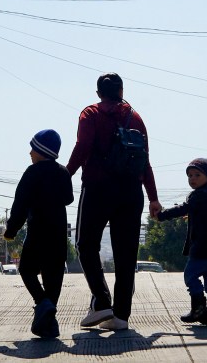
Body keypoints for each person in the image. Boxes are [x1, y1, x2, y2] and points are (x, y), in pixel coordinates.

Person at [66, 73, 161, 331]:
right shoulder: (136, 118)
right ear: (121, 90)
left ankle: (101, 300)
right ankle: (120, 316)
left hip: (97, 188)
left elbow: (83, 146)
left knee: (85, 244)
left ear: (98, 93)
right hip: (131, 192)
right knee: (126, 253)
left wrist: (67, 174)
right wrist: (153, 198)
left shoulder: (90, 114)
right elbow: (145, 161)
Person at [3, 129, 73, 338]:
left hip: (38, 233)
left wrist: (11, 230)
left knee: (26, 270)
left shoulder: (31, 173)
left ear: (41, 151)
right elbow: (69, 198)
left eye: (33, 148)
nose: (30, 153)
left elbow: (20, 205)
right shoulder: (63, 173)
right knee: (54, 278)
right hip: (59, 235)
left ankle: (42, 303)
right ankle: (49, 324)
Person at [152, 158, 207, 326]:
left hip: (203, 248)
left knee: (190, 276)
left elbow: (183, 209)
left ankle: (198, 309)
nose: (192, 178)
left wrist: (161, 216)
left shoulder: (198, 195)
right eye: (190, 175)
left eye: (197, 175)